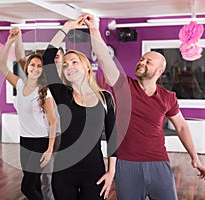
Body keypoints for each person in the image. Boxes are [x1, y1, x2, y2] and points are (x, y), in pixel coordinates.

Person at [82, 13, 205, 199]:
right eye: (142, 60)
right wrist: (93, 28)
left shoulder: (168, 97)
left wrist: (194, 158)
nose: (142, 62)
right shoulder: (123, 86)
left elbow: (181, 126)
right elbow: (104, 58)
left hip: (159, 162)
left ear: (160, 71)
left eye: (148, 61)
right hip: (126, 164)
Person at [42, 16, 117, 199]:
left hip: (94, 172)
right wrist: (66, 28)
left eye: (74, 61)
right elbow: (47, 59)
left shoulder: (104, 98)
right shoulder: (62, 95)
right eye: (65, 64)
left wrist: (111, 172)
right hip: (63, 171)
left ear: (87, 67)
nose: (69, 66)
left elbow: (113, 137)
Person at [0, 28, 57, 200]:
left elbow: (52, 122)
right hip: (24, 140)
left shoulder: (45, 92)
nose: (36, 68)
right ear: (27, 67)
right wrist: (11, 40)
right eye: (33, 65)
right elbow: (1, 65)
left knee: (27, 187)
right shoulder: (20, 84)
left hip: (40, 142)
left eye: (39, 66)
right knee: (34, 184)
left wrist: (49, 148)